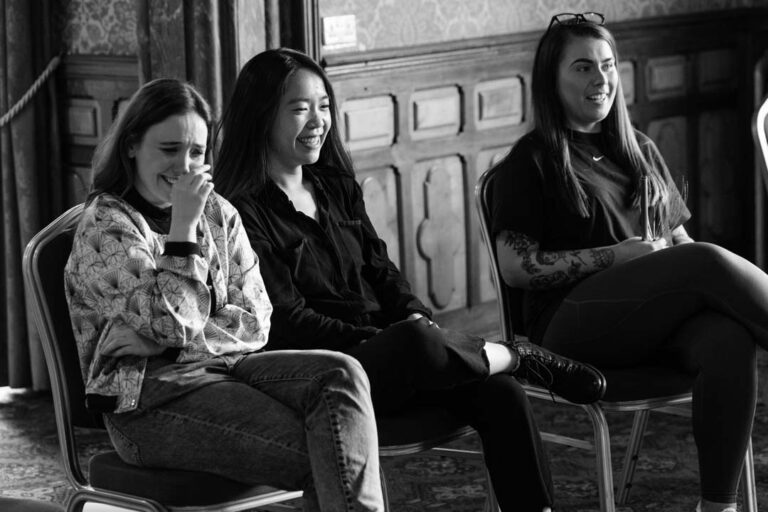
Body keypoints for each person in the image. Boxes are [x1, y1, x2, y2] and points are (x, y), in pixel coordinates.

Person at [213, 47, 608, 512]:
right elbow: (288, 321)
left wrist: (412, 316)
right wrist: (389, 340)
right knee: (415, 343)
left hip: (397, 353)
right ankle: (516, 355)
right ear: (260, 116)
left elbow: (381, 270)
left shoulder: (333, 185)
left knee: (499, 391)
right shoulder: (239, 210)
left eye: (324, 106)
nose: (318, 121)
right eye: (300, 109)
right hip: (328, 374)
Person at [63, 78, 385, 512]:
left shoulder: (218, 211)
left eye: (196, 152)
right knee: (335, 451)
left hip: (230, 371)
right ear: (132, 146)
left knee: (342, 372)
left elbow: (256, 319)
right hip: (147, 405)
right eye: (170, 149)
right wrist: (182, 231)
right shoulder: (106, 227)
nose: (185, 166)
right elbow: (168, 321)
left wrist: (170, 346)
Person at [490, 12, 767, 512]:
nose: (601, 80)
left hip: (648, 322)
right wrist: (614, 256)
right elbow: (516, 267)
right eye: (582, 68)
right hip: (568, 328)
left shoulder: (637, 148)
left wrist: (672, 260)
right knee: (704, 260)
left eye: (608, 65)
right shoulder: (531, 161)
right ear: (552, 79)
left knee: (729, 338)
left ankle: (718, 506)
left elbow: (678, 237)